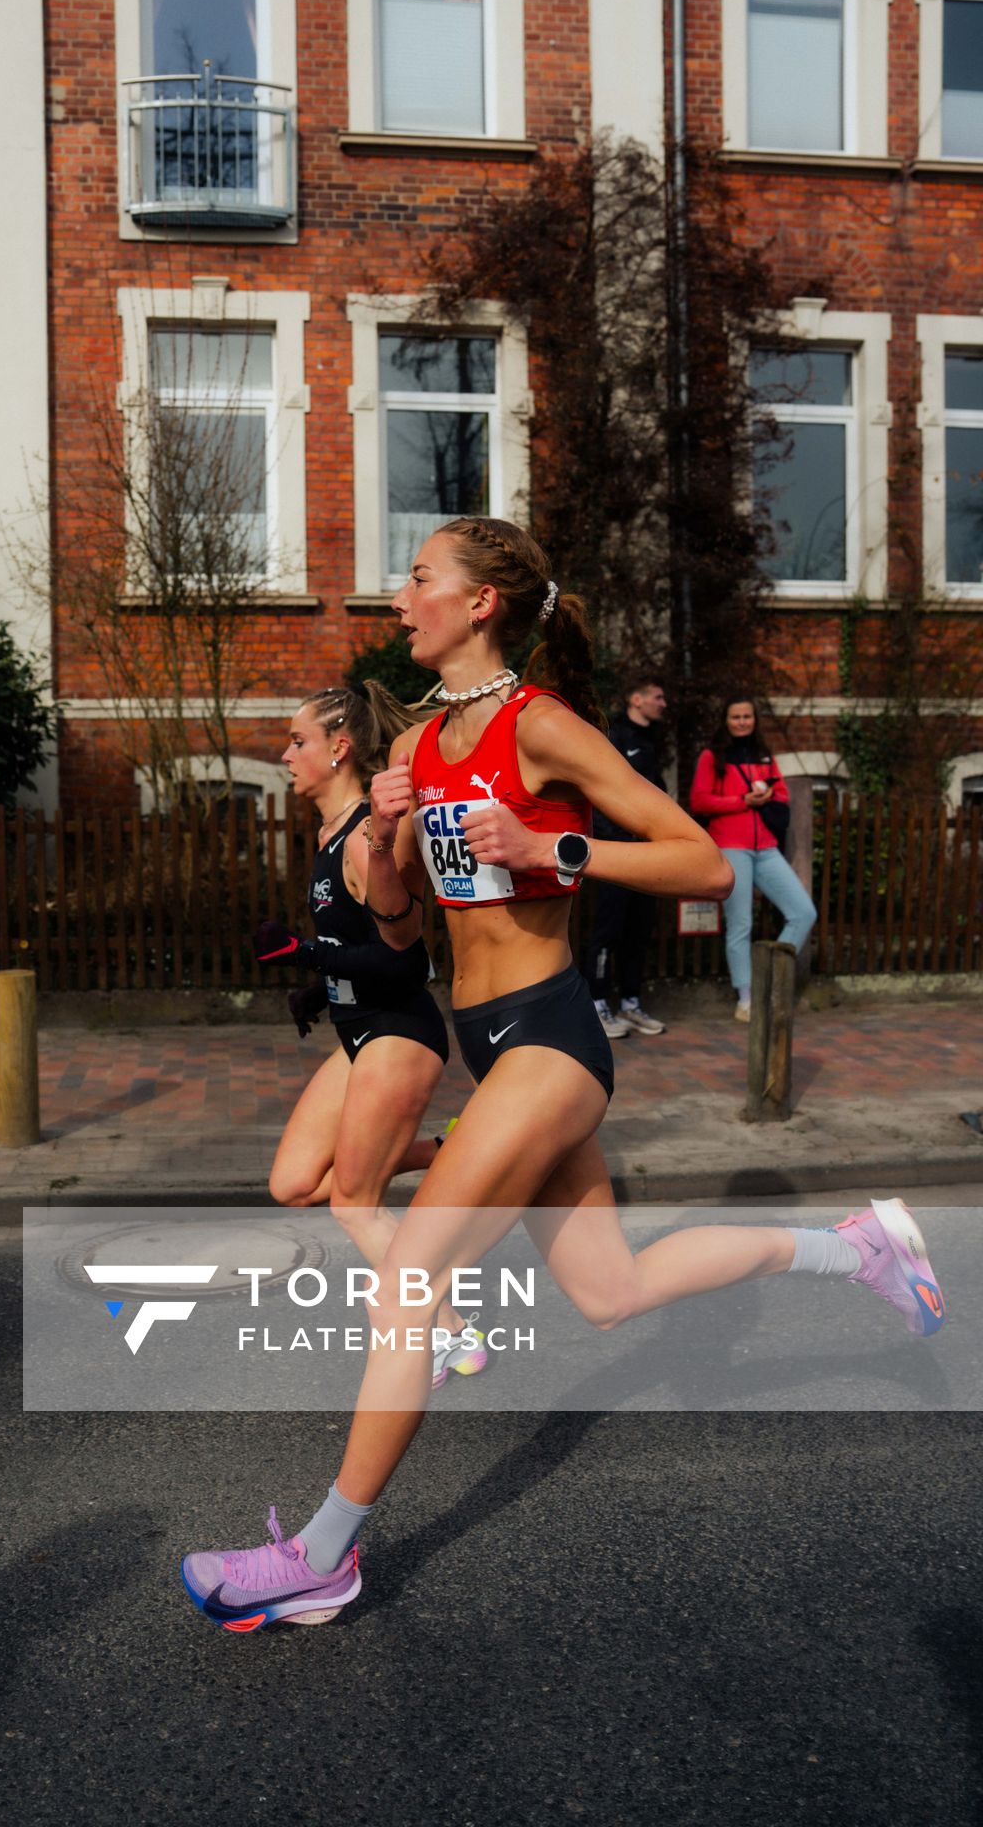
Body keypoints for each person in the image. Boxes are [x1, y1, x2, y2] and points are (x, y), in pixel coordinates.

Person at [180, 519, 946, 1633]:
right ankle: (856, 1248)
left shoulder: (537, 725)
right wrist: (389, 844)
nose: (400, 597)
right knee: (609, 1292)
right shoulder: (417, 750)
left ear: (480, 602)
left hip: (549, 1037)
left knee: (409, 1284)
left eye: (420, 577)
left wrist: (556, 853)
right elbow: (400, 931)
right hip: (485, 1032)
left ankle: (321, 1555)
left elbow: (698, 862)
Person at [253, 682, 487, 1393]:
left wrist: (305, 953)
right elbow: (355, 945)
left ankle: (454, 1335)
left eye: (298, 741)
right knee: (294, 1184)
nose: (287, 754)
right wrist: (321, 989)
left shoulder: (364, 837)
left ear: (338, 748)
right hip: (359, 1033)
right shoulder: (328, 833)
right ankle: (447, 1149)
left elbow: (407, 959)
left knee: (353, 1203)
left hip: (398, 1035)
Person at [689, 695, 817, 1023]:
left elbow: (783, 796)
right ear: (726, 720)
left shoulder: (764, 756)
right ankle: (746, 999)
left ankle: (771, 979)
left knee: (804, 913)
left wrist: (769, 797)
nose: (743, 722)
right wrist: (742, 801)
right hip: (731, 847)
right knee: (741, 924)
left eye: (747, 716)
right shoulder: (711, 756)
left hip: (767, 848)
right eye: (736, 717)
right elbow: (700, 801)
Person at [585, 676, 669, 1039]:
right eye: (657, 695)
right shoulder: (613, 736)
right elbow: (599, 793)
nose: (663, 703)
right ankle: (597, 1003)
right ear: (636, 699)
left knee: (639, 929)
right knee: (608, 928)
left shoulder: (653, 739)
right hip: (619, 852)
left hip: (649, 853)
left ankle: (631, 1003)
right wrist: (616, 840)